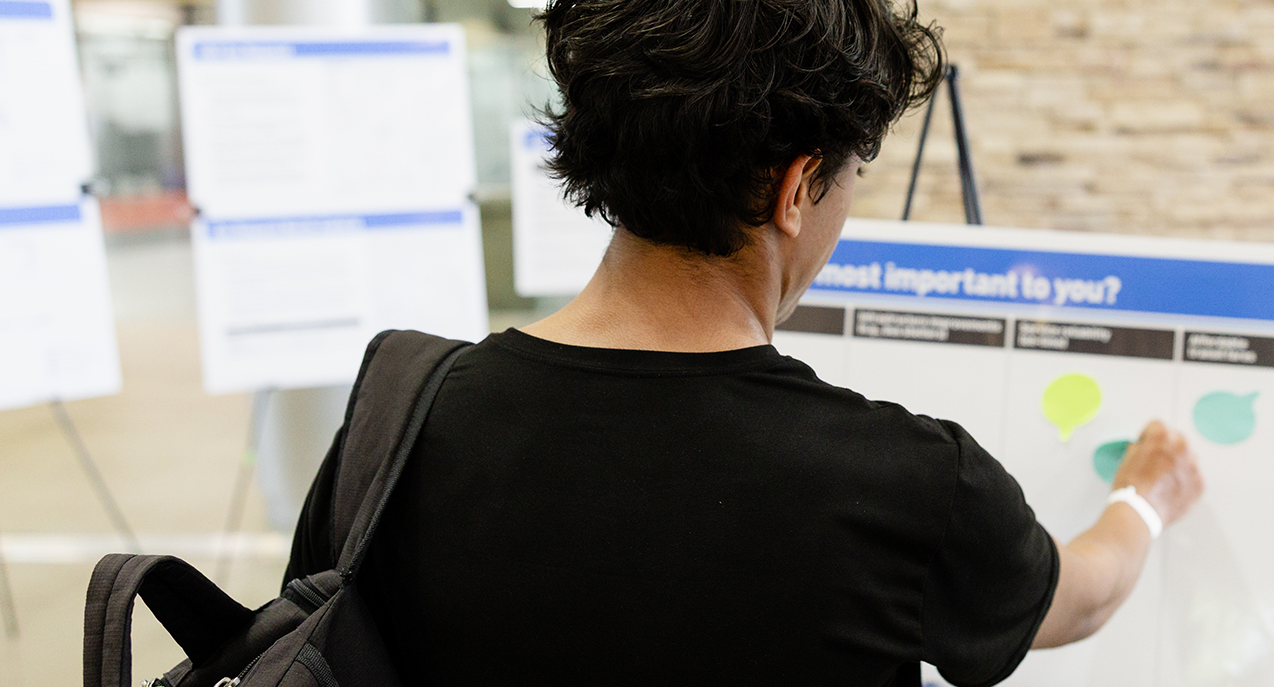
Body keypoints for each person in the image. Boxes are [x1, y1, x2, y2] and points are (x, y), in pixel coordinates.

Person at [285, 0, 1203, 684]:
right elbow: (1076, 596)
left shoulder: (402, 408)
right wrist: (1143, 499)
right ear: (796, 188)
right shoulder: (904, 479)